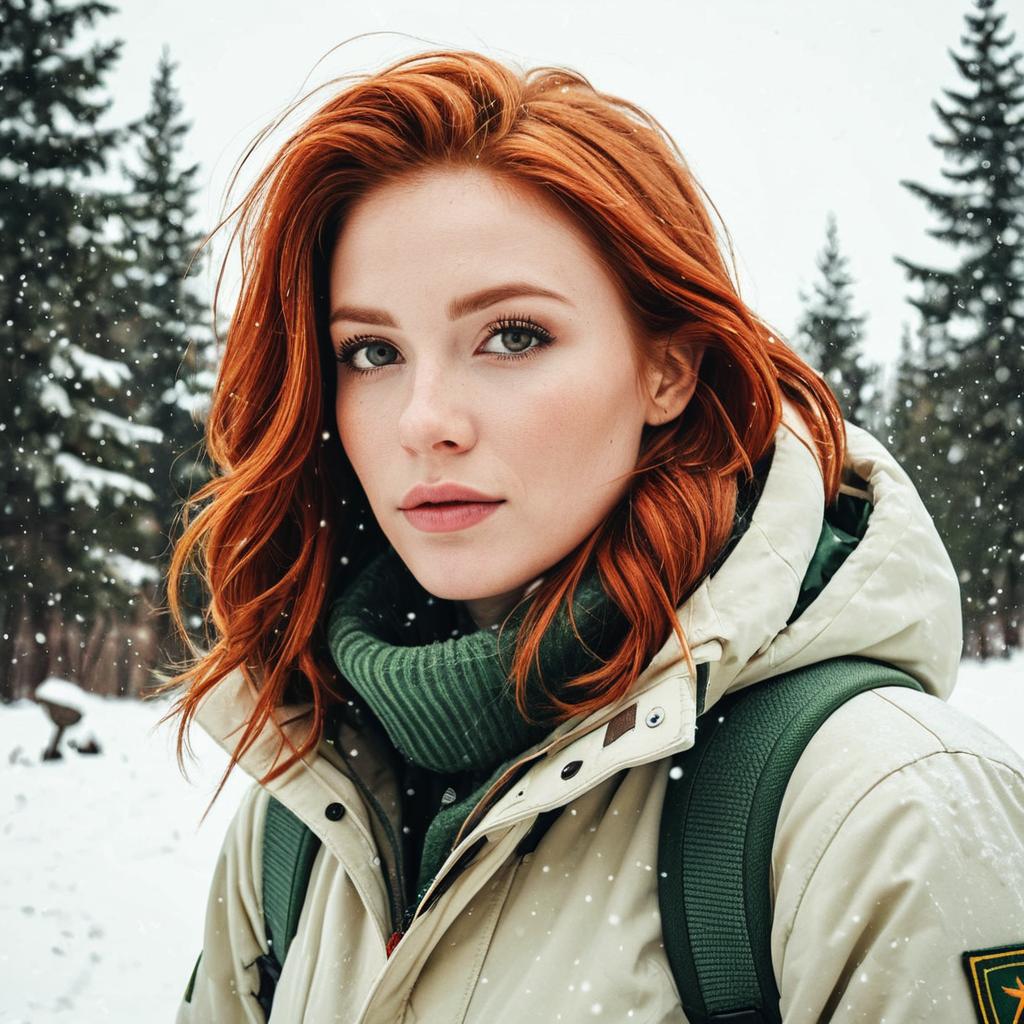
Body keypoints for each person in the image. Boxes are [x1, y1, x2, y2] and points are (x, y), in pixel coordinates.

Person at [166, 48, 1024, 1024]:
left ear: (667, 367)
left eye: (513, 335)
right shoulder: (303, 821)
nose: (424, 419)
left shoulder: (879, 812)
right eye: (371, 351)